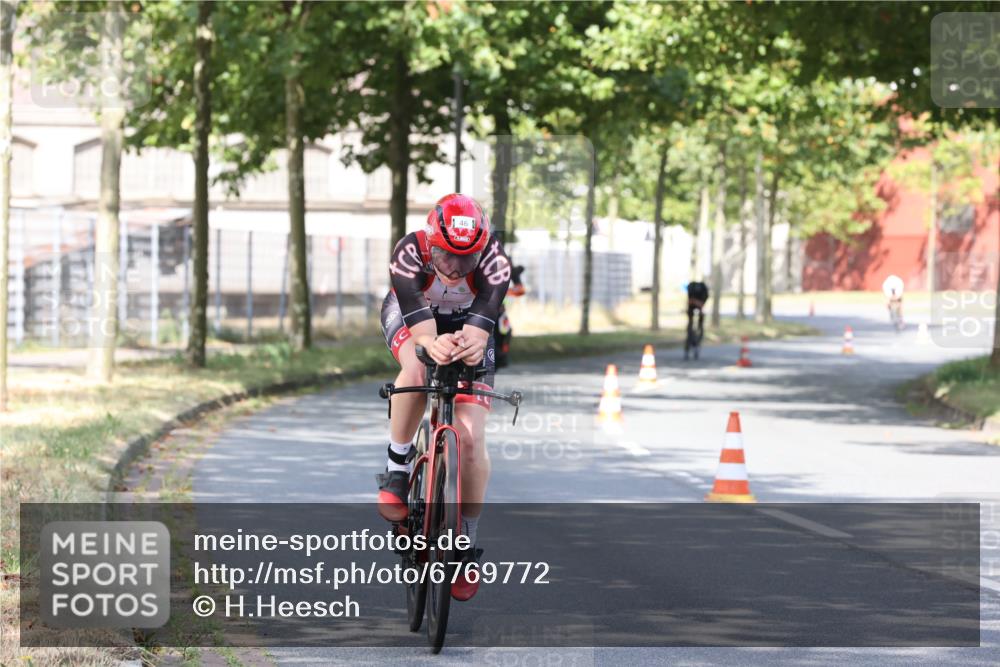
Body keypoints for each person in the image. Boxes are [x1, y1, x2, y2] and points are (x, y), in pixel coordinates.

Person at [377, 193, 511, 601]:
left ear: (481, 249)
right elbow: (422, 332)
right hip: (414, 316)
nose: (453, 268)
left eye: (465, 259)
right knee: (417, 369)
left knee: (470, 439)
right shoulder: (409, 251)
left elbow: (479, 331)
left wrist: (470, 344)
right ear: (430, 240)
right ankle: (397, 468)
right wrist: (432, 343)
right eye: (445, 255)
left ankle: (466, 544)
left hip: (468, 323)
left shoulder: (495, 262)